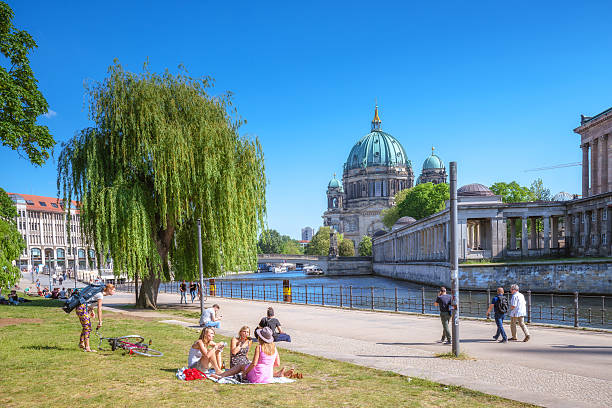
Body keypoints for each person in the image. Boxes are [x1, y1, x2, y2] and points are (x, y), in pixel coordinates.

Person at [76, 283, 115, 352]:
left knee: (86, 327)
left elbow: (90, 300)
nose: (114, 292)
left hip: (82, 308)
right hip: (82, 308)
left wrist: (91, 310)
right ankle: (87, 348)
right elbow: (99, 309)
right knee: (87, 327)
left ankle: (81, 343)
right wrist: (100, 321)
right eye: (113, 290)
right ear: (109, 289)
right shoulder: (100, 295)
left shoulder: (99, 294)